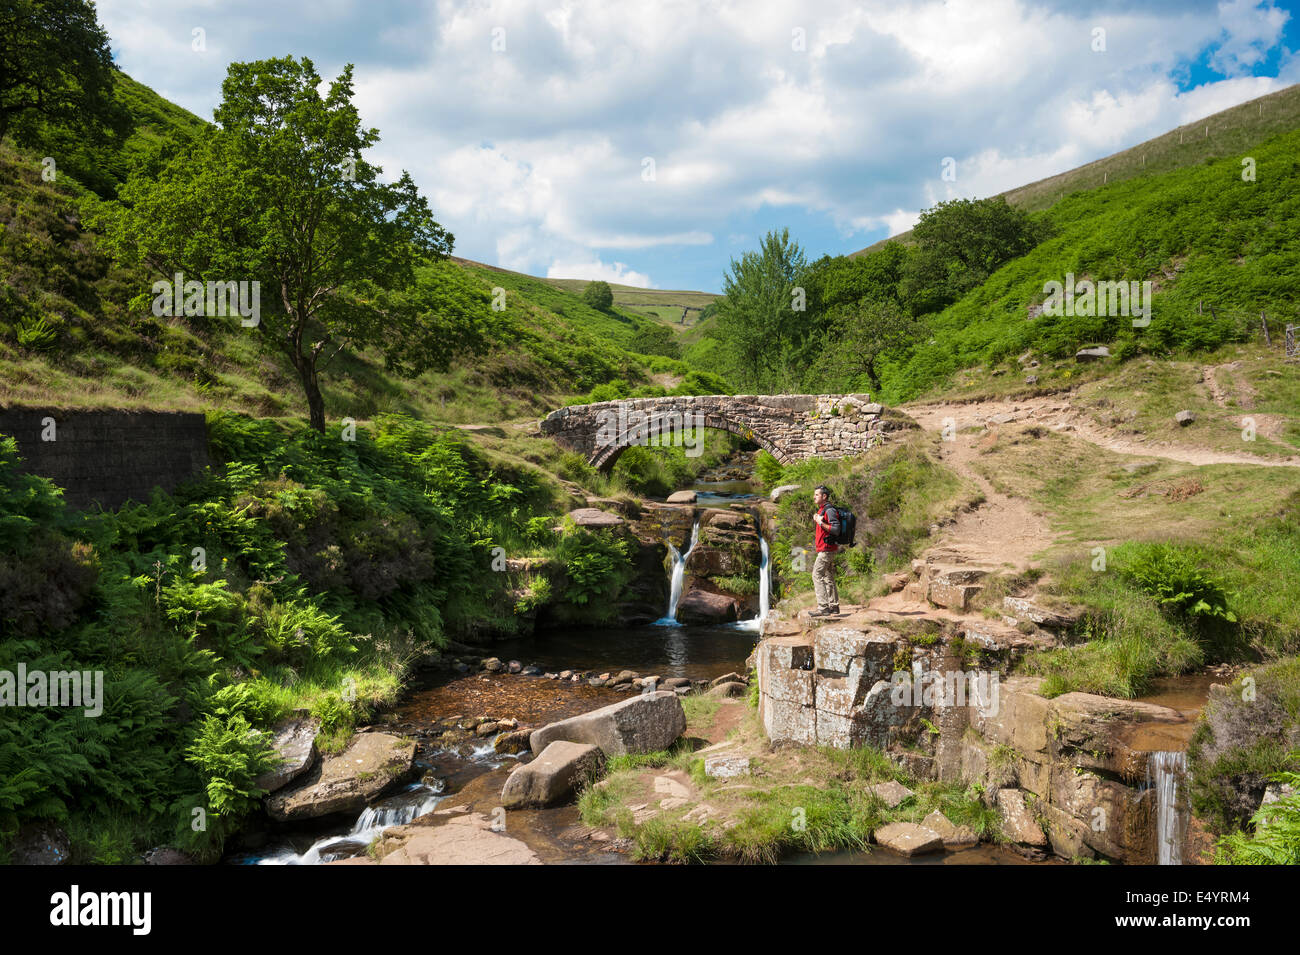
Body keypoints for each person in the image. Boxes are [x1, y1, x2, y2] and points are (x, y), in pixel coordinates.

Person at [810, 485, 840, 617]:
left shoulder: (829, 510)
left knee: (816, 575)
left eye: (817, 495)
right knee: (828, 576)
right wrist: (818, 519)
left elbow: (836, 529)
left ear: (824, 496)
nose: (814, 497)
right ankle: (834, 606)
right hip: (827, 548)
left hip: (826, 550)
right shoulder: (823, 510)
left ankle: (823, 607)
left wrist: (820, 522)